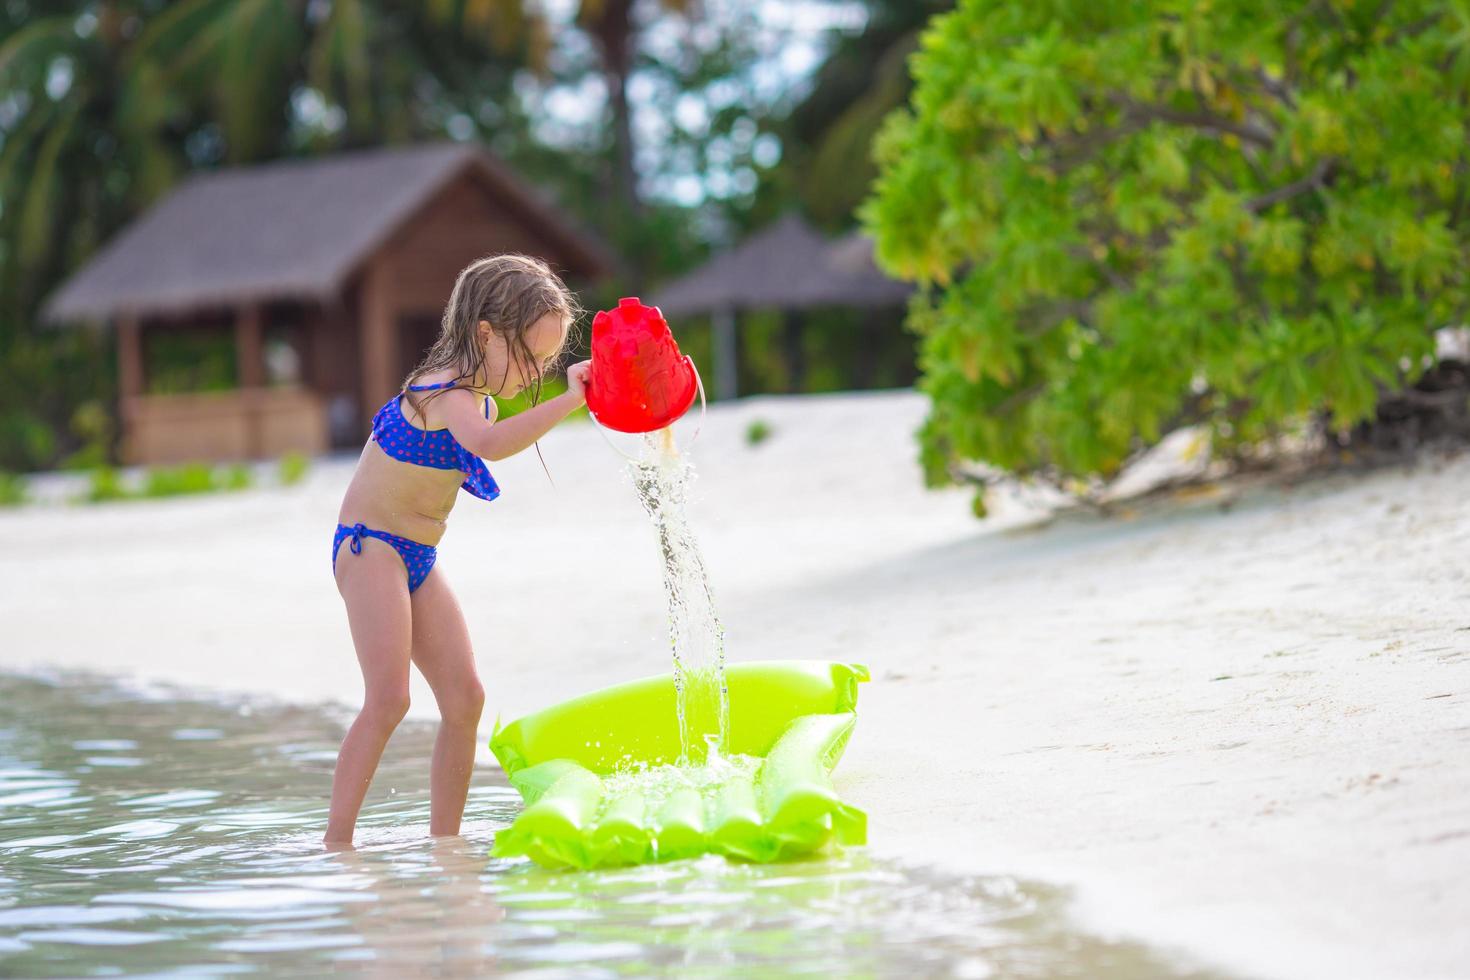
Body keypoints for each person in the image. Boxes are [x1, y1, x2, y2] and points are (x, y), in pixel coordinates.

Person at [325, 253, 589, 846]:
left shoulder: (479, 398)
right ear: (485, 334)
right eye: (530, 357)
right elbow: (490, 444)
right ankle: (336, 843)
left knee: (466, 698)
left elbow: (496, 431)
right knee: (390, 698)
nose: (535, 374)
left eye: (548, 362)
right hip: (371, 551)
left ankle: (445, 843)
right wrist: (573, 400)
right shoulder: (444, 394)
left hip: (416, 559)